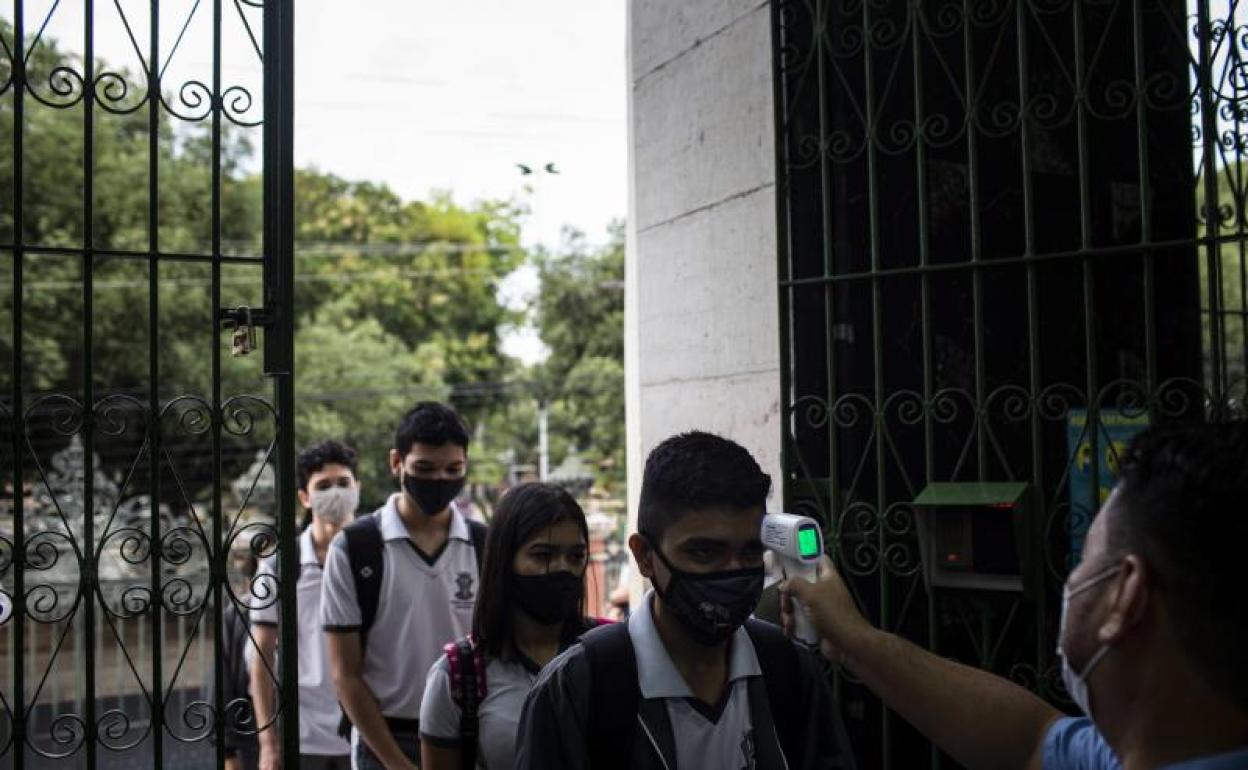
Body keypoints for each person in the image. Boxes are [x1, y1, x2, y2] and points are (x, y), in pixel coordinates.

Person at [782, 421, 1248, 770]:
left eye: (1087, 558)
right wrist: (854, 640)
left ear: (1126, 595)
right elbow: (1030, 739)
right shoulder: (1159, 747)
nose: (1073, 580)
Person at [514, 431, 857, 770]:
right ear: (645, 555)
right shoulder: (576, 688)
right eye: (705, 552)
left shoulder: (790, 670)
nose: (734, 571)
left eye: (751, 552)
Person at [321, 402, 487, 769]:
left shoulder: (484, 546)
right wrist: (397, 764)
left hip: (469, 734)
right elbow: (346, 674)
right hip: (385, 737)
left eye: (453, 469)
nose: (440, 479)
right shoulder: (355, 549)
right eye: (425, 469)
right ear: (397, 462)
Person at [419, 482, 601, 770]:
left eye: (576, 556)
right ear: (505, 561)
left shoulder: (609, 652)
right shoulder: (459, 676)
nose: (563, 568)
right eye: (543, 556)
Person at [251, 440, 360, 770]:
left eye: (343, 483)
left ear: (357, 487)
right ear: (304, 497)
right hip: (302, 733)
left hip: (367, 728)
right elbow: (261, 656)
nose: (336, 492)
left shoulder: (378, 555)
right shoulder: (280, 565)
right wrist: (268, 743)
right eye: (323, 485)